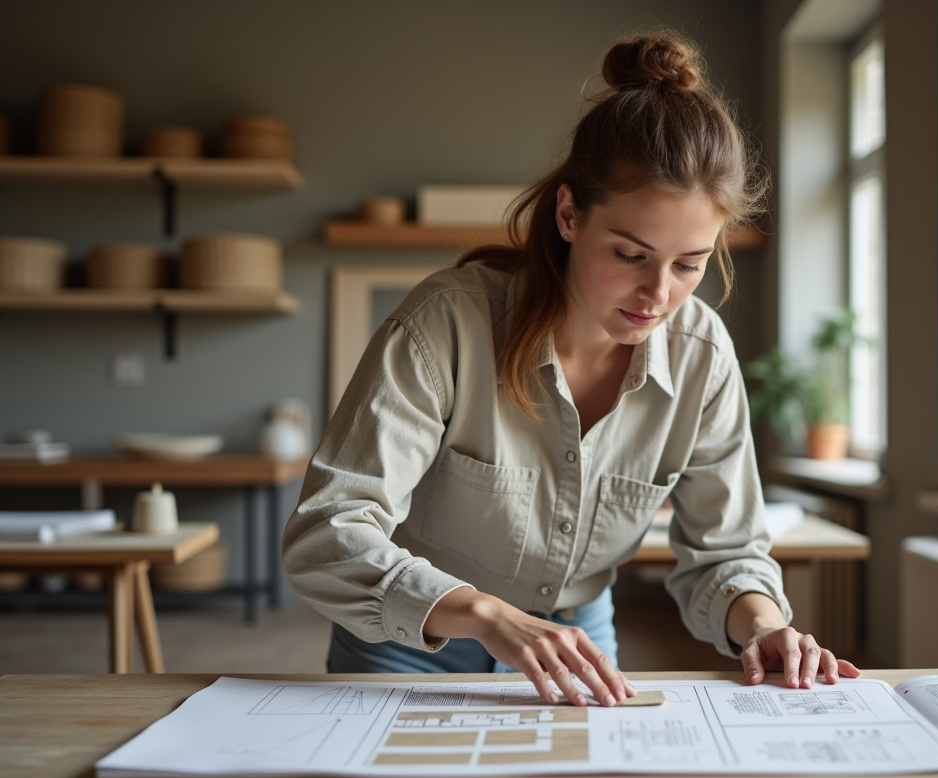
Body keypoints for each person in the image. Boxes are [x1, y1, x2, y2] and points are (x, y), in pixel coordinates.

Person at [282, 30, 859, 708]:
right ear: (568, 214)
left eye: (689, 265)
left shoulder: (704, 355)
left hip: (575, 649)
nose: (658, 295)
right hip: (406, 643)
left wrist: (764, 625)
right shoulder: (445, 324)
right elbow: (328, 532)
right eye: (630, 254)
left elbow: (725, 554)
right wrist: (486, 615)